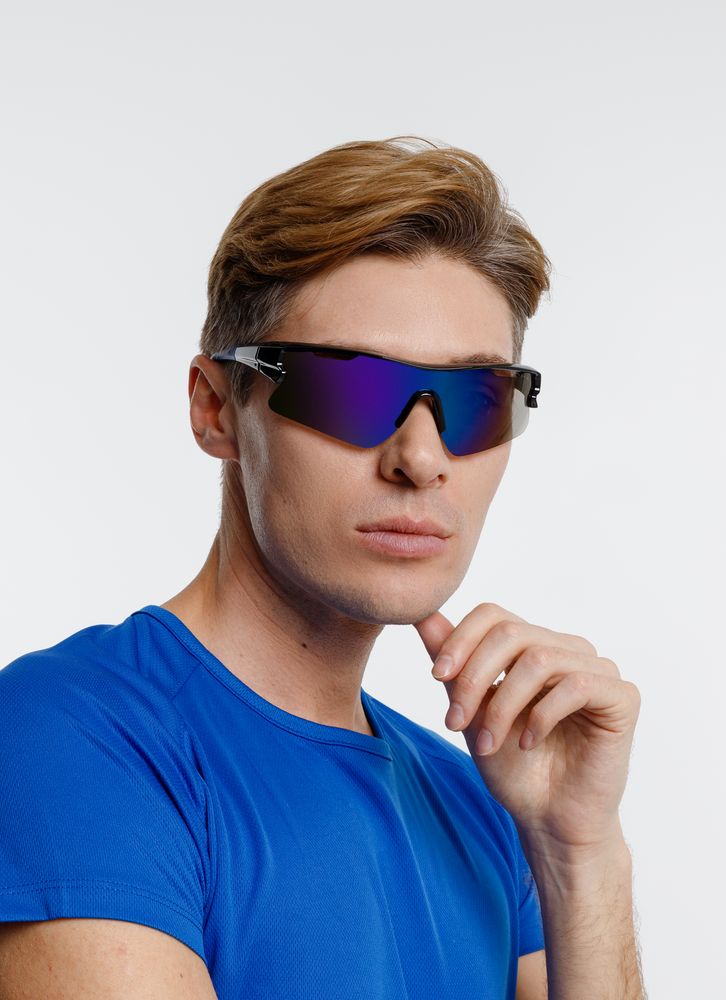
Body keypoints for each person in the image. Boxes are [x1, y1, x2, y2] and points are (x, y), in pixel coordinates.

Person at [0, 136, 646, 999]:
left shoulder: (485, 807)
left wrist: (580, 852)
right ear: (216, 408)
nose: (421, 459)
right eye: (353, 389)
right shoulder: (69, 737)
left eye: (475, 399)